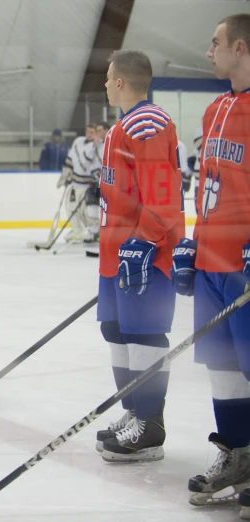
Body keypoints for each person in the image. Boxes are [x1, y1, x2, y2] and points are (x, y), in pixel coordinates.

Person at [170, 14, 250, 514]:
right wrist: (192, 242)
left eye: (215, 43)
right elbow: (210, 185)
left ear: (241, 47)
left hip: (245, 261)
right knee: (222, 368)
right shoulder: (216, 108)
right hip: (214, 261)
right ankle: (239, 454)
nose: (208, 51)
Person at [94, 49, 184, 463]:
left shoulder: (146, 123)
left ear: (122, 81)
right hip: (118, 255)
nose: (106, 83)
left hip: (145, 254)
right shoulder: (121, 127)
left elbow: (164, 200)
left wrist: (144, 241)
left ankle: (150, 425)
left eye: (109, 76)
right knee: (117, 331)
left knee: (143, 335)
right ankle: (133, 410)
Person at [60, 123, 101, 243]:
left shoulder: (98, 146)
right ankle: (77, 230)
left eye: (92, 132)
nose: (89, 134)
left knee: (86, 211)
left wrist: (95, 144)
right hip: (75, 183)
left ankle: (90, 232)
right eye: (88, 132)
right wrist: (66, 173)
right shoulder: (78, 141)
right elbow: (71, 158)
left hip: (87, 185)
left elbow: (88, 161)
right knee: (71, 208)